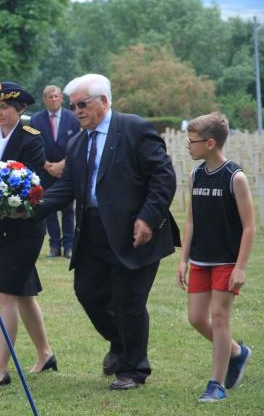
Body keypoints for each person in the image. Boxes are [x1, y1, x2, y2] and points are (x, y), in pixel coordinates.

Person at [34, 74, 179, 390]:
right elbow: (68, 187)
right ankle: (121, 341)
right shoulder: (77, 142)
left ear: (103, 101)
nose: (77, 111)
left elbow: (163, 177)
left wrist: (147, 219)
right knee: (88, 292)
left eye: (82, 104)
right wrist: (31, 209)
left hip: (136, 231)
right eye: (73, 106)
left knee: (129, 301)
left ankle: (133, 369)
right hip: (94, 232)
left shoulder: (134, 129)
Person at [0, 82, 57, 390]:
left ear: (19, 110)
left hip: (25, 226)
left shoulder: (31, 139)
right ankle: (45, 354)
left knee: (6, 294)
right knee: (22, 293)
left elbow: (30, 181)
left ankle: (0, 369)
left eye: (5, 108)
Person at [176, 112, 254, 403]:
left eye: (192, 141)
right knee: (197, 318)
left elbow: (249, 226)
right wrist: (183, 259)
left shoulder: (236, 177)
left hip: (227, 261)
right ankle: (236, 352)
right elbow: (192, 222)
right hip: (200, 259)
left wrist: (241, 267)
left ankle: (216, 384)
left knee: (220, 318)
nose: (188, 145)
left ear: (210, 143)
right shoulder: (196, 175)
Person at [30, 85, 80, 259]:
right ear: (44, 99)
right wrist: (46, 165)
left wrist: (63, 164)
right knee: (48, 207)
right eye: (50, 97)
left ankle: (68, 246)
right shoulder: (35, 120)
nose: (53, 99)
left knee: (68, 209)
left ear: (61, 98)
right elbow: (34, 144)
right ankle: (54, 246)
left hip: (66, 170)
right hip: (45, 170)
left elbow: (78, 142)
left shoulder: (73, 118)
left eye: (56, 96)